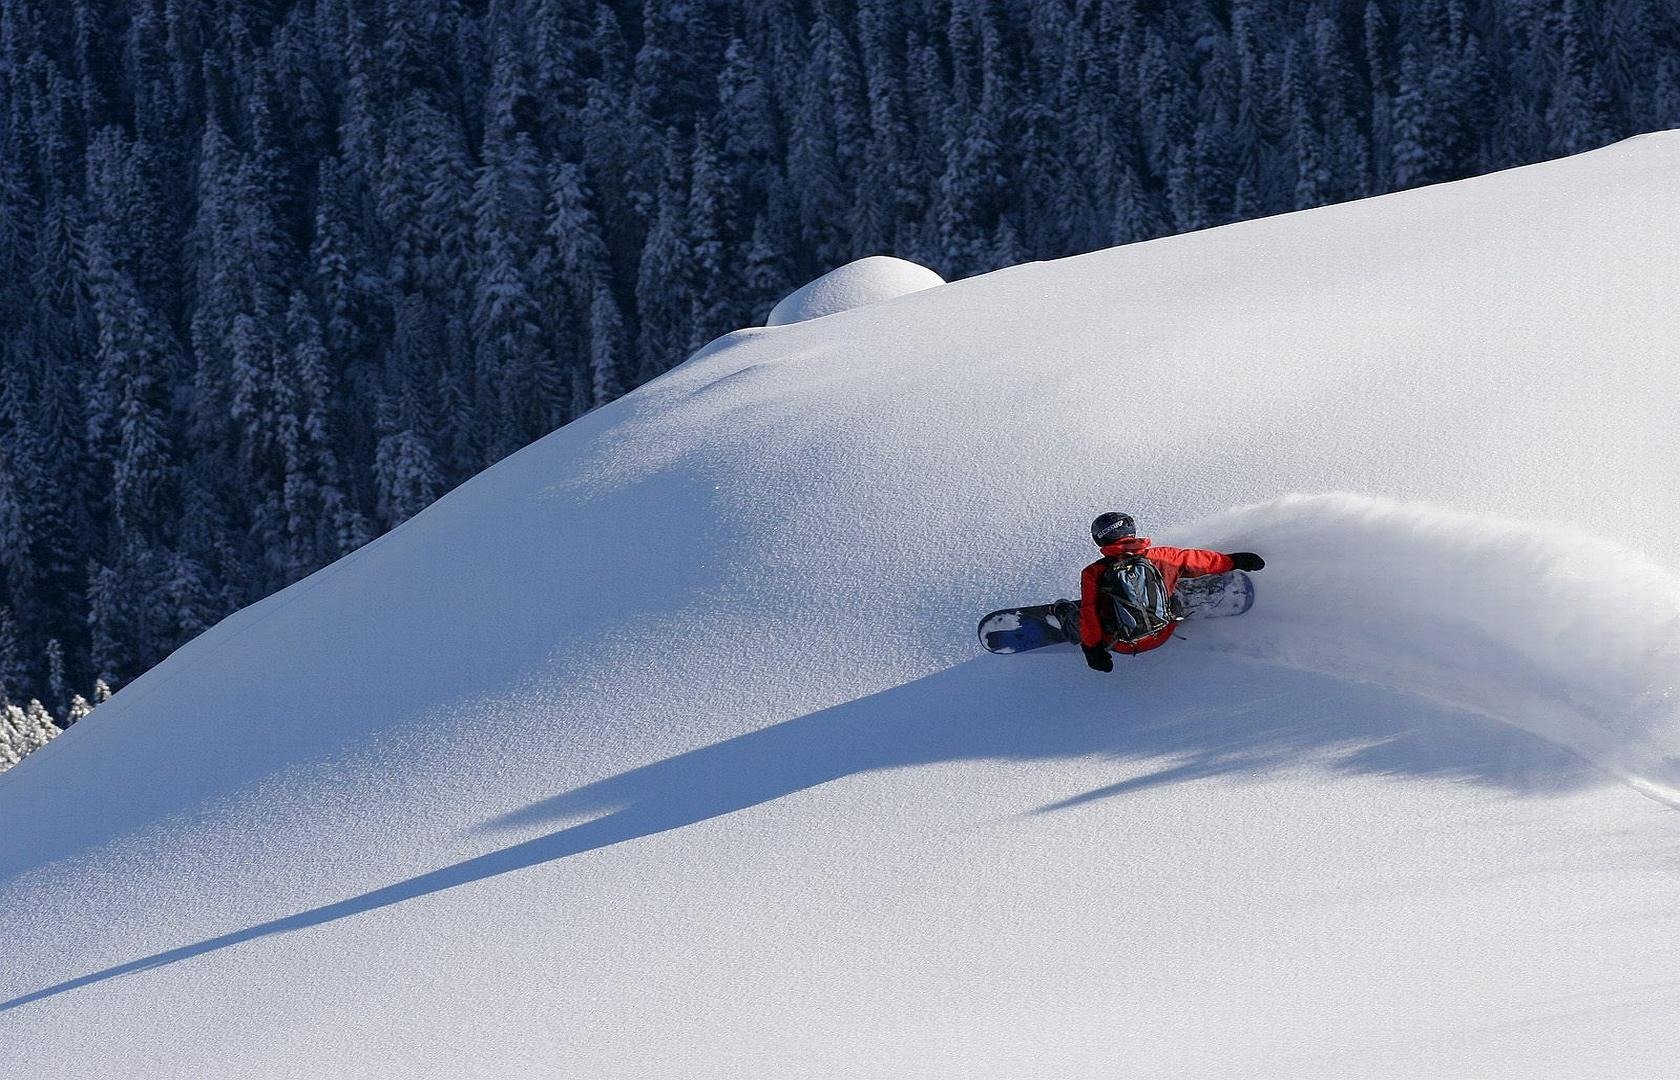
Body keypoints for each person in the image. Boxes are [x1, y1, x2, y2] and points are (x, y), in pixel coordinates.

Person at [1067, 512, 1265, 673]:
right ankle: (1174, 601)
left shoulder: (1093, 572)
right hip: (1164, 633)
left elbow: (1089, 614)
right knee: (1173, 584)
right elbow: (1201, 561)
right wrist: (1237, 561)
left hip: (1123, 645)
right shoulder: (1163, 556)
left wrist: (1092, 651)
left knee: (1085, 612)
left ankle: (1066, 618)